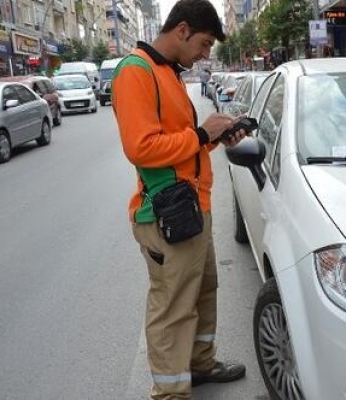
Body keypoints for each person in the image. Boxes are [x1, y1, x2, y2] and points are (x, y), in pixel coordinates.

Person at [111, 0, 248, 398]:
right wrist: (203, 135)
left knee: (204, 291)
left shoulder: (168, 72)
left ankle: (200, 364)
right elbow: (142, 148)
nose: (206, 55)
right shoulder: (136, 71)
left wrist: (215, 139)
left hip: (192, 208)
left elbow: (179, 147)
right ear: (183, 30)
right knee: (172, 307)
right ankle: (171, 392)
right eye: (204, 44)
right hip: (165, 214)